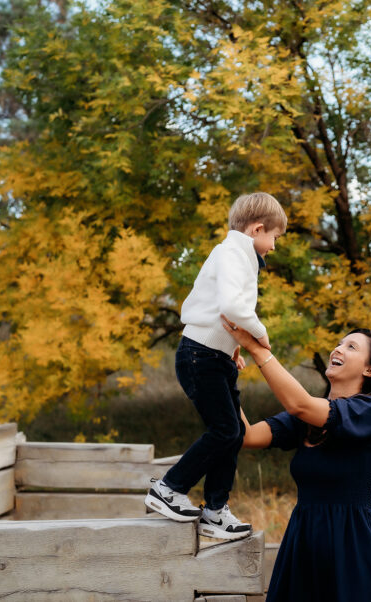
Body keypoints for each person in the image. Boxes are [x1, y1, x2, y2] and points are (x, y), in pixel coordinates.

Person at [223, 315, 371, 602]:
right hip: (304, 539)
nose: (338, 349)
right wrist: (227, 375)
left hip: (352, 544)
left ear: (369, 369)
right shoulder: (304, 420)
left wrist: (257, 349)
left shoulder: (368, 412)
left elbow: (299, 403)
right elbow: (246, 436)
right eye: (339, 343)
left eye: (351, 347)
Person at [145, 193, 286, 541]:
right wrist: (260, 335)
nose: (274, 247)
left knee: (234, 433)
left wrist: (233, 348)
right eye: (275, 238)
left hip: (215, 356)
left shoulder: (240, 255)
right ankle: (168, 488)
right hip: (199, 356)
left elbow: (221, 313)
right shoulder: (232, 254)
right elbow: (233, 307)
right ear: (257, 229)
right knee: (224, 430)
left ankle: (215, 511)